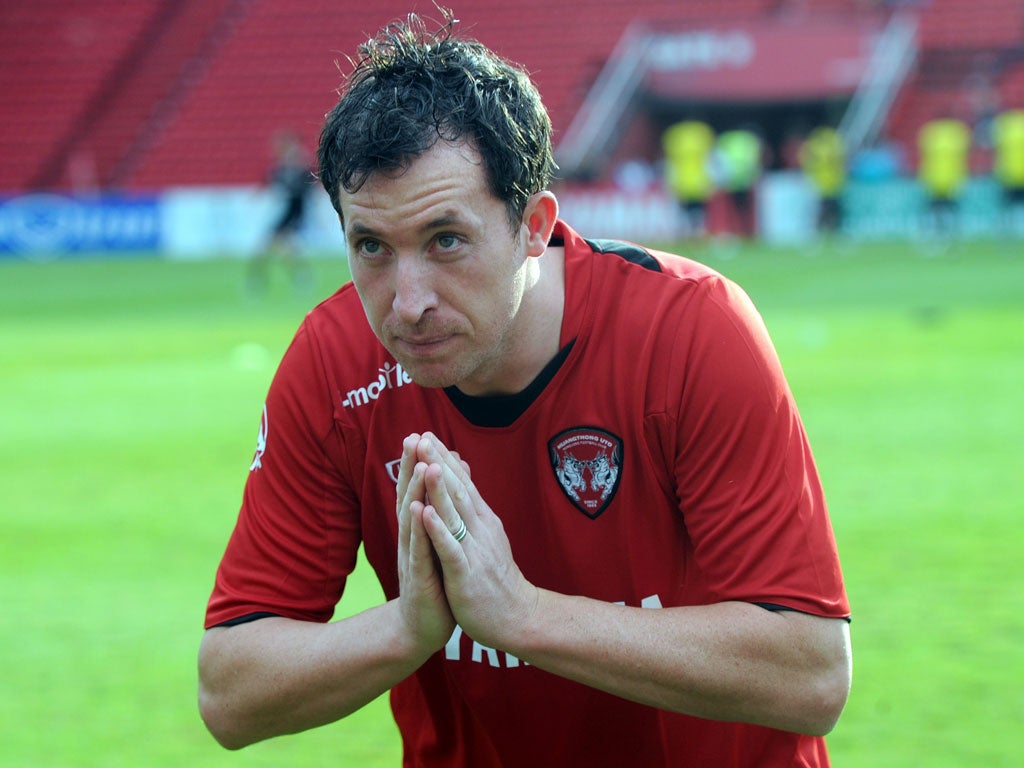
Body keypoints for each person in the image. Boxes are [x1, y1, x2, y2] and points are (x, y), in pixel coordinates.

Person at [199, 12, 852, 768]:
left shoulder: (690, 330)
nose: (406, 302)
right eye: (371, 247)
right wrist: (408, 627)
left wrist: (521, 615)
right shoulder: (335, 363)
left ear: (533, 226)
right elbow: (230, 693)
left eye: (447, 240)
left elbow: (810, 671)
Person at [245, 128, 315, 296]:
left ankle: (259, 282)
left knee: (273, 249)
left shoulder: (300, 167)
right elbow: (270, 182)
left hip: (294, 212)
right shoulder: (281, 168)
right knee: (282, 250)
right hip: (286, 212)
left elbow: (307, 188)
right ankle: (300, 279)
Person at [916, 114, 971, 243]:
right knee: (952, 210)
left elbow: (923, 156)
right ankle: (952, 236)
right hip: (952, 179)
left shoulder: (930, 132)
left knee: (935, 210)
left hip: (934, 179)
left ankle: (935, 235)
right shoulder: (958, 132)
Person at [661, 119, 716, 240]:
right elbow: (709, 159)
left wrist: (670, 180)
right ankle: (696, 235)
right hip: (699, 181)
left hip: (682, 182)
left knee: (685, 211)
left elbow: (670, 161)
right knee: (698, 211)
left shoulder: (675, 134)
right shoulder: (703, 133)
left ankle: (686, 235)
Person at [799, 126, 847, 240]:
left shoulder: (814, 144)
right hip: (824, 183)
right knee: (824, 210)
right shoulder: (833, 142)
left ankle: (832, 233)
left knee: (831, 209)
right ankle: (818, 233)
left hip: (830, 183)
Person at [991, 107, 1024, 238]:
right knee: (1007, 206)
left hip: (1009, 175)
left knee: (1006, 207)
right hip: (1010, 175)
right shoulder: (1004, 126)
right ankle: (1007, 232)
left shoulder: (1004, 126)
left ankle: (1006, 233)